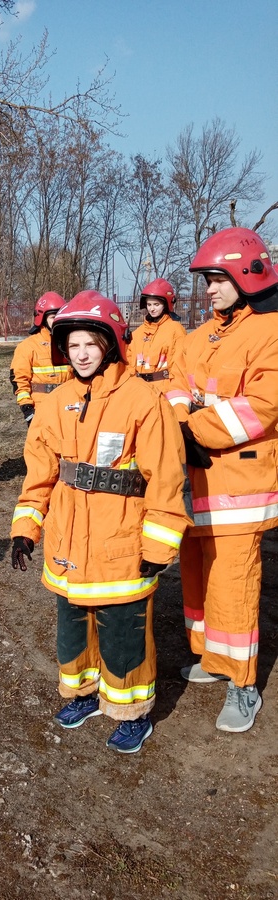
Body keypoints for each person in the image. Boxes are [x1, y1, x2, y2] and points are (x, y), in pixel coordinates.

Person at [11, 291, 189, 754]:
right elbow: (39, 474)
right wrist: (25, 531)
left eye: (91, 342)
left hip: (120, 548)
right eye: (73, 345)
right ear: (62, 351)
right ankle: (84, 694)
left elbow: (166, 479)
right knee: (73, 630)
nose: (82, 353)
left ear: (110, 343)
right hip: (68, 548)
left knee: (124, 637)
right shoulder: (55, 403)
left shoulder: (143, 400)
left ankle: (133, 713)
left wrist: (157, 547)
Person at [165, 227, 278, 733]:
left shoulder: (271, 332)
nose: (208, 289)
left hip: (240, 487)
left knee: (233, 584)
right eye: (206, 280)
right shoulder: (198, 337)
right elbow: (173, 388)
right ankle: (213, 658)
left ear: (246, 275)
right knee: (198, 574)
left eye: (217, 279)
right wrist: (180, 423)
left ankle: (243, 684)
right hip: (195, 484)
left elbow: (262, 405)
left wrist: (194, 428)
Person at [9, 292, 71, 426]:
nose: (58, 321)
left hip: (68, 407)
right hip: (41, 408)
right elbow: (19, 380)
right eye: (54, 317)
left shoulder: (70, 344)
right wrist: (27, 409)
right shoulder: (27, 347)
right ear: (42, 318)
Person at [126, 278, 187, 392]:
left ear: (165, 305)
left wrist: (175, 393)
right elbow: (129, 362)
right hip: (139, 389)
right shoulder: (138, 333)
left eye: (156, 304)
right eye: (149, 304)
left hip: (163, 389)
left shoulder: (175, 330)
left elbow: (179, 366)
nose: (152, 309)